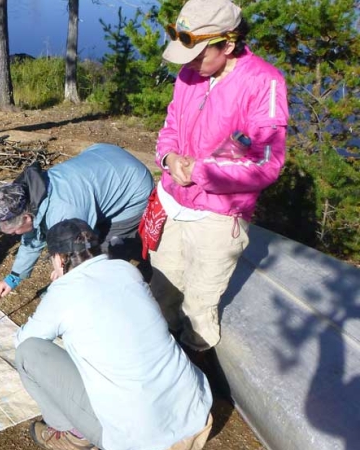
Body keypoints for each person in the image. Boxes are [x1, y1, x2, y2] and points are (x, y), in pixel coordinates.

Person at [150, 0, 288, 352]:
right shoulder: (189, 75)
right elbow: (170, 127)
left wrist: (203, 171)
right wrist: (169, 158)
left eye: (198, 55)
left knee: (199, 304)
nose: (190, 65)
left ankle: (196, 362)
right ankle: (159, 356)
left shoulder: (263, 83)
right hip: (173, 203)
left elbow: (266, 162)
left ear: (227, 44)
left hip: (217, 214)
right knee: (162, 289)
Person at [15, 219, 213, 450]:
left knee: (28, 353)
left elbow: (24, 340)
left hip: (138, 438)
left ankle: (73, 433)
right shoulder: (126, 270)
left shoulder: (63, 293)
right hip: (195, 411)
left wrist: (59, 289)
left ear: (59, 259)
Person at [0, 143, 153, 299]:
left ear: (26, 218)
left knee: (101, 255)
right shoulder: (28, 197)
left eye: (13, 233)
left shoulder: (64, 210)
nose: (14, 236)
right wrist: (14, 277)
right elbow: (33, 239)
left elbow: (82, 251)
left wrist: (66, 273)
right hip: (104, 160)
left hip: (133, 188)